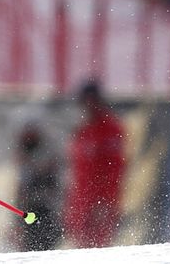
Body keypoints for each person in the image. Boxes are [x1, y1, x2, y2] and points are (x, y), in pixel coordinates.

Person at [62, 80, 126, 248]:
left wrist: (105, 201)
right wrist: (73, 207)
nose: (87, 106)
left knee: (98, 251)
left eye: (92, 101)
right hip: (80, 204)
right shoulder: (82, 130)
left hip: (99, 207)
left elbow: (115, 170)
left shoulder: (110, 129)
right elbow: (76, 170)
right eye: (84, 102)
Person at [10, 123, 62, 251]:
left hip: (46, 212)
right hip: (30, 211)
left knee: (44, 246)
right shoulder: (25, 166)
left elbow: (55, 188)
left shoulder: (46, 161)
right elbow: (20, 193)